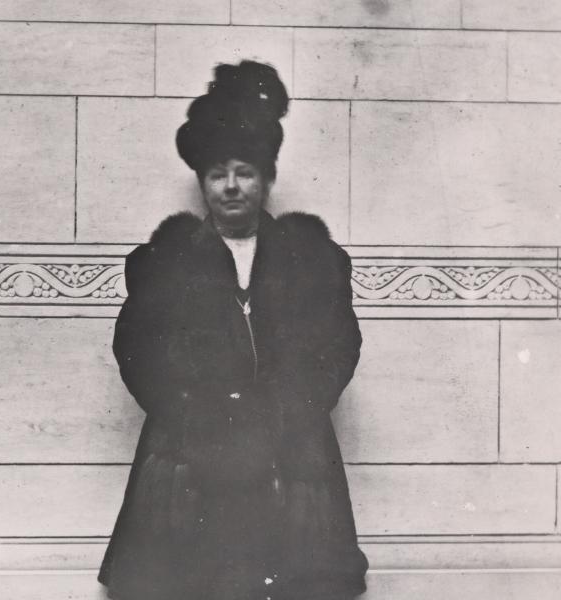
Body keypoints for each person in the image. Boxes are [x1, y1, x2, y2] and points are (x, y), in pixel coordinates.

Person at [97, 60, 368, 600]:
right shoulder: (164, 262)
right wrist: (195, 414)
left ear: (266, 179)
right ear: (202, 182)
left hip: (290, 457)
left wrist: (290, 410)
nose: (231, 186)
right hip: (189, 458)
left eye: (244, 172)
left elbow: (340, 346)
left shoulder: (312, 261)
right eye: (217, 174)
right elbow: (136, 351)